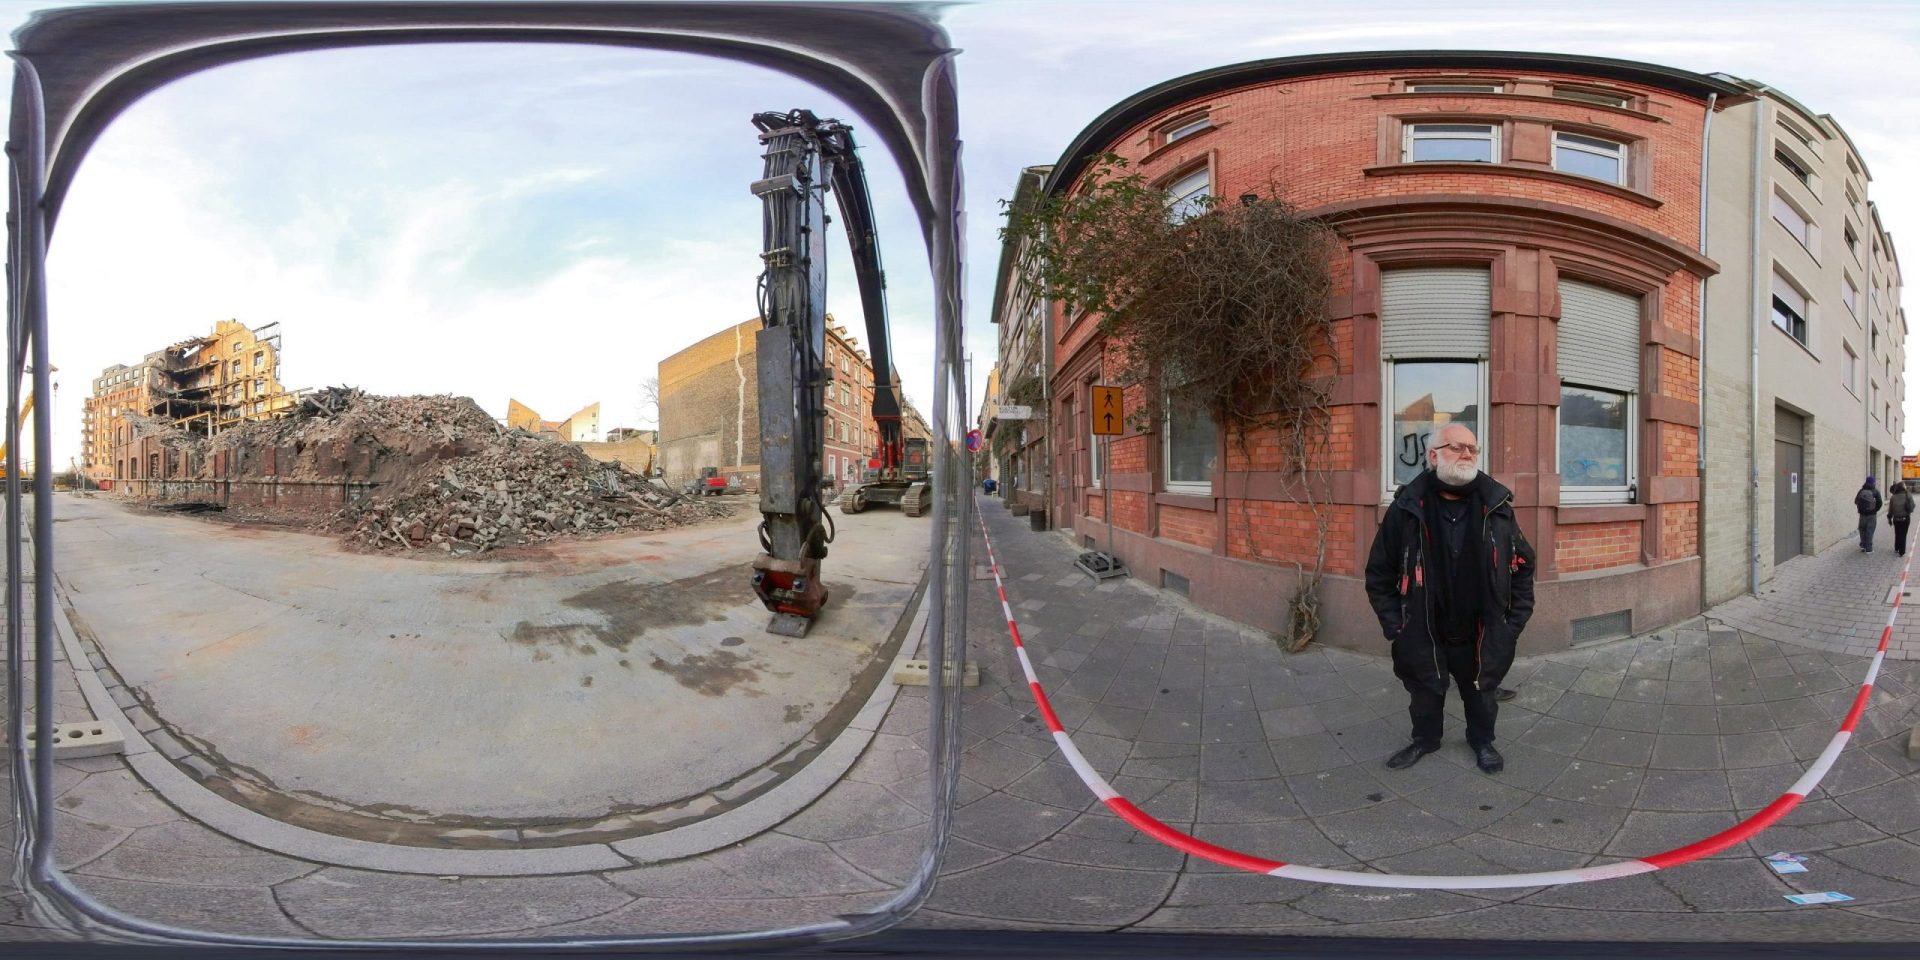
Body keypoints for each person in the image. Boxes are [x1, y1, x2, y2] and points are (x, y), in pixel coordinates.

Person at [1364, 423, 1536, 775]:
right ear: (1433, 455)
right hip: (1423, 629)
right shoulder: (1407, 508)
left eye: (1473, 448)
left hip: (1481, 631)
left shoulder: (1497, 505)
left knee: (1482, 696)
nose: (1468, 454)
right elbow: (1378, 573)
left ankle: (1482, 741)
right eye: (1457, 447)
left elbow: (1522, 566)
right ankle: (1425, 741)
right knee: (1424, 695)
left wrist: (1511, 626)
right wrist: (1396, 627)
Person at [1857, 476, 1883, 552]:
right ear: (1873, 482)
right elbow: (1880, 503)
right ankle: (1869, 549)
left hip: (1862, 515)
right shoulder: (1875, 491)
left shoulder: (1861, 491)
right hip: (1872, 515)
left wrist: (1861, 508)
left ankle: (1863, 545)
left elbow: (1856, 501)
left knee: (1862, 529)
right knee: (1870, 530)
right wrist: (1875, 510)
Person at [1890, 480, 1914, 557]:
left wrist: (1889, 517)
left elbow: (1891, 509)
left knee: (1897, 533)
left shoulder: (1893, 497)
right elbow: (1912, 506)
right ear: (1903, 487)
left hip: (1896, 518)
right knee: (1903, 534)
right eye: (1905, 485)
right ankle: (1902, 551)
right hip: (1905, 518)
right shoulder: (1908, 495)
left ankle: (1896, 547)